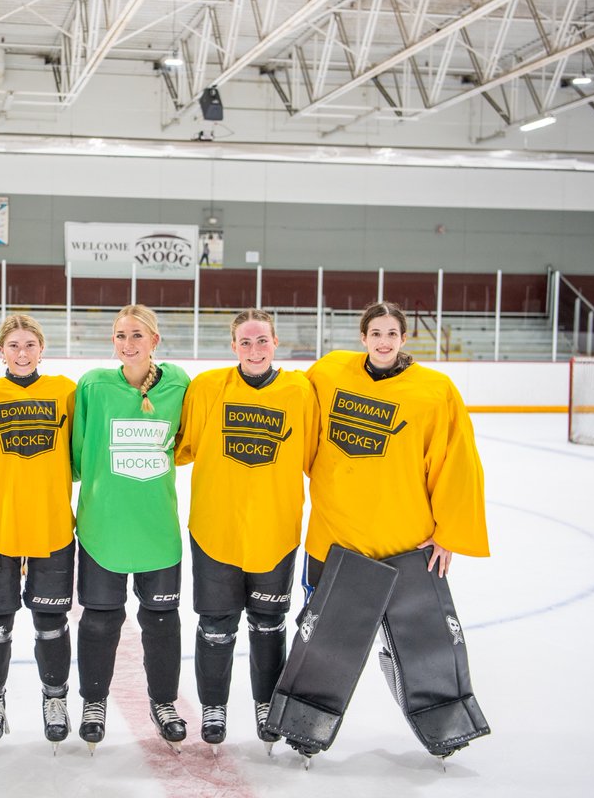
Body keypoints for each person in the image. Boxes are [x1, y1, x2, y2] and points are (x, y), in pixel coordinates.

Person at [296, 300, 490, 759]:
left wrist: (449, 532)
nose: (383, 341)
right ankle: (303, 722)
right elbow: (295, 419)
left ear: (404, 339)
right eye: (375, 333)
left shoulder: (433, 390)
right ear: (362, 337)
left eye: (392, 333)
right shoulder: (328, 372)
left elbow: (456, 463)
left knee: (421, 645)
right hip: (335, 539)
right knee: (323, 642)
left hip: (405, 544)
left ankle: (444, 724)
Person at [175, 309, 318, 752]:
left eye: (261, 341)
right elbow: (183, 446)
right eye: (245, 342)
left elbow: (314, 454)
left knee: (268, 624)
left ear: (276, 343)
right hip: (216, 529)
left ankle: (267, 704)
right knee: (216, 624)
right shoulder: (207, 388)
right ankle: (214, 707)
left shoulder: (299, 390)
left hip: (275, 530)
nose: (253, 350)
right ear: (232, 346)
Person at [71, 304, 191, 753]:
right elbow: (79, 453)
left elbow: (187, 441)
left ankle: (164, 703)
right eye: (120, 335)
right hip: (104, 526)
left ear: (155, 341)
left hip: (157, 528)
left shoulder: (179, 383)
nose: (128, 343)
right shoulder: (94, 385)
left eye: (137, 335)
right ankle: (94, 703)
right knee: (100, 622)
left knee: (161, 622)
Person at [0, 314, 77, 753]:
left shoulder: (65, 392)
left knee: (52, 623)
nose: (22, 352)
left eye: (30, 344)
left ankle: (55, 700)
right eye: (13, 345)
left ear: (42, 348)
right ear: (1, 350)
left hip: (50, 527)